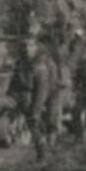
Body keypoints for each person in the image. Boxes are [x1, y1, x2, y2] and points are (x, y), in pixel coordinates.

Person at [22, 29, 64, 158]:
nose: (26, 49)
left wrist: (36, 110)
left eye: (29, 46)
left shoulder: (41, 63)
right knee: (37, 123)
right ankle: (44, 152)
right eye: (24, 46)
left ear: (36, 47)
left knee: (47, 121)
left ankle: (47, 152)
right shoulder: (27, 62)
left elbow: (42, 90)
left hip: (50, 94)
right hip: (42, 94)